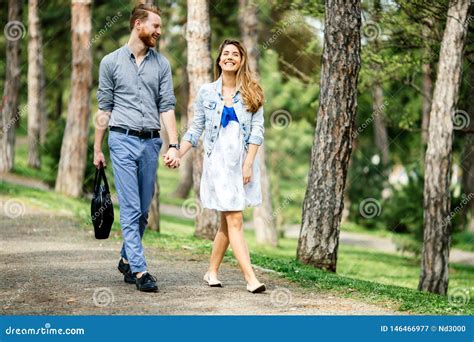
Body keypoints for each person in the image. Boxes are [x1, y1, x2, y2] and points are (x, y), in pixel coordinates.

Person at [93, 4, 180, 292]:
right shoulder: (110, 62)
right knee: (130, 208)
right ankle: (141, 271)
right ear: (138, 25)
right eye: (155, 26)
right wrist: (97, 148)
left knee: (143, 211)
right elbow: (104, 109)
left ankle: (125, 258)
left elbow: (166, 106)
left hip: (151, 142)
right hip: (121, 139)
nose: (159, 31)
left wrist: (174, 144)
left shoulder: (161, 64)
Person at [170, 39, 266, 293]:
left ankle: (211, 271)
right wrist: (178, 152)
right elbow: (196, 128)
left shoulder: (253, 91)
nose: (230, 57)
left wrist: (248, 164)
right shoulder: (207, 92)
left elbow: (257, 131)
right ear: (219, 59)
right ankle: (250, 278)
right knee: (234, 218)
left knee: (227, 220)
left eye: (235, 54)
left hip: (242, 163)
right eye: (226, 53)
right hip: (219, 165)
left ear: (242, 60)